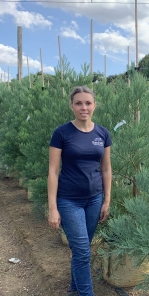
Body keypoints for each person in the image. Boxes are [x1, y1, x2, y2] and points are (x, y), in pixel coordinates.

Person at [47, 86, 112, 296]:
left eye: (88, 103)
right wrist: (53, 208)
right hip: (68, 201)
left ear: (94, 105)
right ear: (72, 106)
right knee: (83, 251)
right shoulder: (62, 133)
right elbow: (53, 171)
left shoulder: (102, 133)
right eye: (78, 103)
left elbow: (106, 168)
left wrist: (106, 200)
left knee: (80, 250)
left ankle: (74, 288)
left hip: (94, 199)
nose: (83, 107)